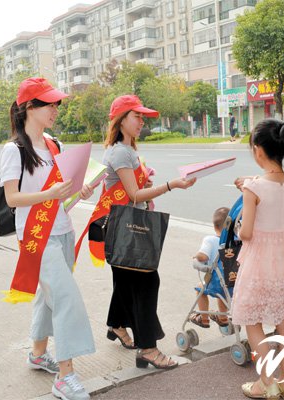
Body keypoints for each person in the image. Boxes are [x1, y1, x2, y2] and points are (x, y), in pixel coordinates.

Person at [76, 95, 196, 370]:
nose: (142, 121)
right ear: (121, 120)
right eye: (137, 116)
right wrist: (171, 185)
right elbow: (134, 194)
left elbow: (134, 190)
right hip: (128, 230)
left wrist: (147, 184)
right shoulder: (121, 152)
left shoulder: (126, 150)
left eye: (143, 117)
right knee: (145, 285)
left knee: (126, 283)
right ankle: (148, 349)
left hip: (123, 228)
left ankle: (117, 324)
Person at [0, 77, 95, 400]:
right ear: (30, 107)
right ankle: (65, 376)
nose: (55, 110)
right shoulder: (14, 150)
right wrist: (49, 193)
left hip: (63, 230)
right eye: (49, 105)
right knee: (65, 298)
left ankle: (38, 353)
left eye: (57, 105)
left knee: (48, 295)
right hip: (37, 237)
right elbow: (12, 198)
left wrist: (79, 191)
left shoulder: (55, 145)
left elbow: (63, 198)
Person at [231, 119, 284, 399]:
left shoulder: (253, 187)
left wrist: (242, 222)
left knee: (252, 321)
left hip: (259, 261)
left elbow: (246, 233)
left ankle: (266, 383)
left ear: (258, 150)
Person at [189, 207, 231, 328]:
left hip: (217, 285)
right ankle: (223, 317)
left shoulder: (210, 240)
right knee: (224, 287)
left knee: (200, 288)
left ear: (214, 226)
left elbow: (203, 257)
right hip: (234, 284)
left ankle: (204, 318)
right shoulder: (236, 241)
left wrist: (196, 256)